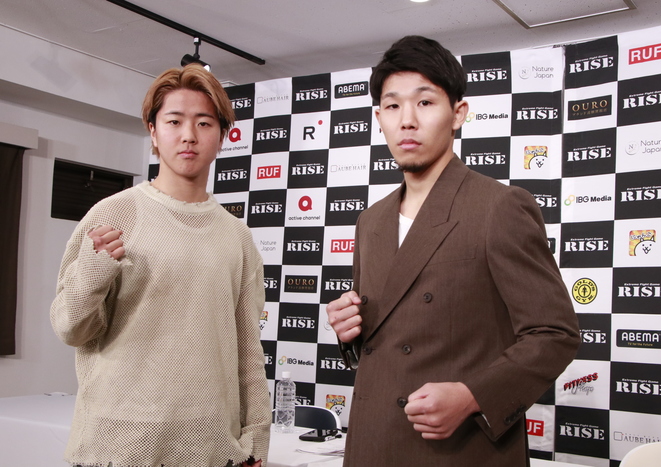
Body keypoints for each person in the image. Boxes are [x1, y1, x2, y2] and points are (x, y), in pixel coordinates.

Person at [325, 36, 580, 466]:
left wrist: (472, 396)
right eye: (393, 106)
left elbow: (555, 334)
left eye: (425, 103)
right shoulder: (370, 221)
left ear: (458, 113)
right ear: (379, 118)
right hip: (371, 443)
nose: (407, 121)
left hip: (458, 450)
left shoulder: (499, 206)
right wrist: (349, 329)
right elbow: (390, 335)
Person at [50, 64, 270, 467]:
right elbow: (71, 328)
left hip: (208, 446)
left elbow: (247, 349)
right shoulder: (114, 213)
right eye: (174, 121)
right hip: (116, 444)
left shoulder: (236, 236)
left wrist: (256, 435)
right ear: (153, 131)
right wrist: (94, 271)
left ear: (222, 136)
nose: (189, 135)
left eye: (204, 123)